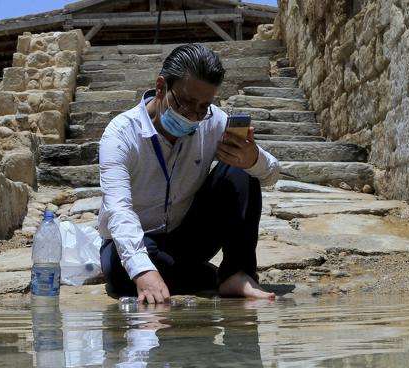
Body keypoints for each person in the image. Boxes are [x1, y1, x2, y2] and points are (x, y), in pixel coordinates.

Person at [98, 43, 281, 305]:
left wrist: (253, 159)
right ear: (161, 87)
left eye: (203, 107)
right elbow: (118, 210)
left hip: (187, 236)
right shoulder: (120, 134)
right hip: (139, 238)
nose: (193, 116)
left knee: (241, 170)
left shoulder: (212, 121)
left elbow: (272, 174)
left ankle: (237, 273)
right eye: (185, 104)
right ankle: (199, 276)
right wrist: (143, 271)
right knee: (121, 272)